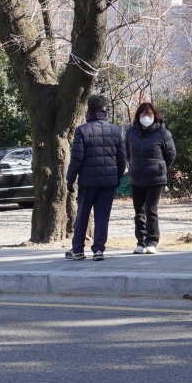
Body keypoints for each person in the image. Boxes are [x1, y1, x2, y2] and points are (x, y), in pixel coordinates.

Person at [66, 93, 127, 260]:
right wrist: (117, 176)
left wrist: (70, 179)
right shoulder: (114, 130)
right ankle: (98, 249)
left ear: (89, 109)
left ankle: (78, 249)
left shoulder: (82, 130)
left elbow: (76, 158)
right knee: (102, 215)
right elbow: (121, 157)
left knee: (83, 214)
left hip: (87, 181)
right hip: (108, 180)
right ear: (104, 109)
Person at [126, 100, 176, 254]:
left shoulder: (163, 133)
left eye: (149, 114)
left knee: (151, 210)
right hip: (136, 177)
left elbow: (171, 154)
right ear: (138, 116)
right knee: (138, 211)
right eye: (143, 113)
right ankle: (140, 241)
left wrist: (161, 168)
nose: (146, 117)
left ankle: (152, 241)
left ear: (155, 115)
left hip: (155, 178)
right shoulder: (131, 132)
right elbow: (127, 152)